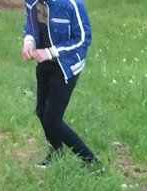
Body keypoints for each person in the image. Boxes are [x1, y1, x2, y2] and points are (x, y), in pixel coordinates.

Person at [22, 0, 98, 166]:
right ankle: (56, 154)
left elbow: (83, 39)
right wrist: (29, 42)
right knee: (41, 111)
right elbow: (31, 25)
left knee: (53, 119)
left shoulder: (72, 5)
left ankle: (92, 162)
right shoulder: (31, 2)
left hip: (67, 66)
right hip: (44, 62)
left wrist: (51, 52)